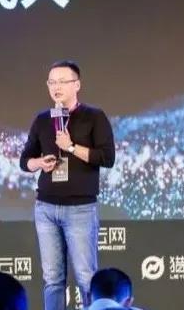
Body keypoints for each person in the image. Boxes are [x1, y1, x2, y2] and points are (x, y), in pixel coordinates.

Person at [19, 60, 115, 310]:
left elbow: (107, 158)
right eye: (52, 82)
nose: (56, 87)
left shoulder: (94, 116)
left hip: (80, 208)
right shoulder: (42, 119)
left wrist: (71, 147)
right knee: (52, 279)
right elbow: (24, 161)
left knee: (86, 278)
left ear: (77, 85)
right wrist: (40, 163)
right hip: (46, 208)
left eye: (63, 81)